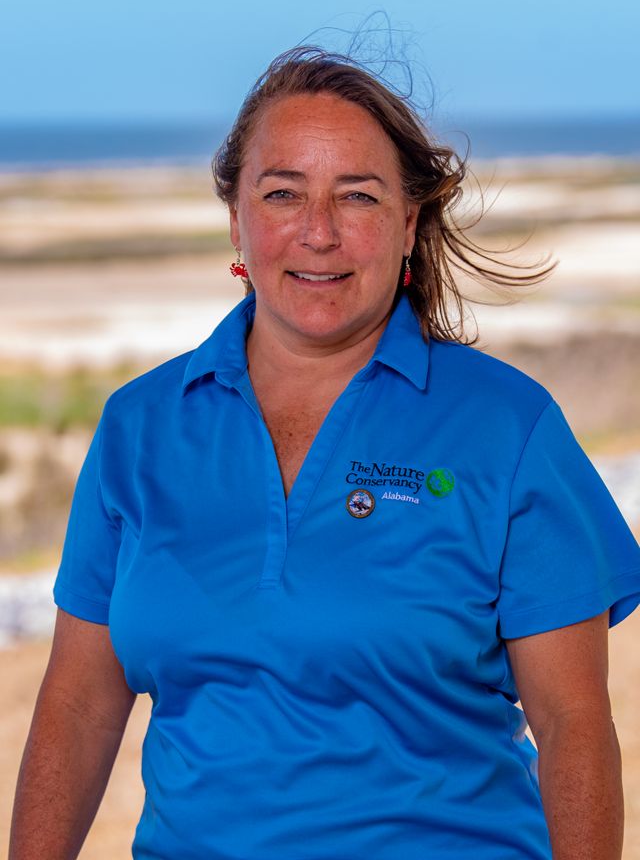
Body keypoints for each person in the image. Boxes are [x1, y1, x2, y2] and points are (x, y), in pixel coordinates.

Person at [9, 46, 640, 860]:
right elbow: (78, 706)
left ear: (408, 223)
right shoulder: (139, 428)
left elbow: (574, 724)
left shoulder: (507, 426)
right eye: (282, 194)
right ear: (236, 219)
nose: (318, 232)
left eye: (358, 196)